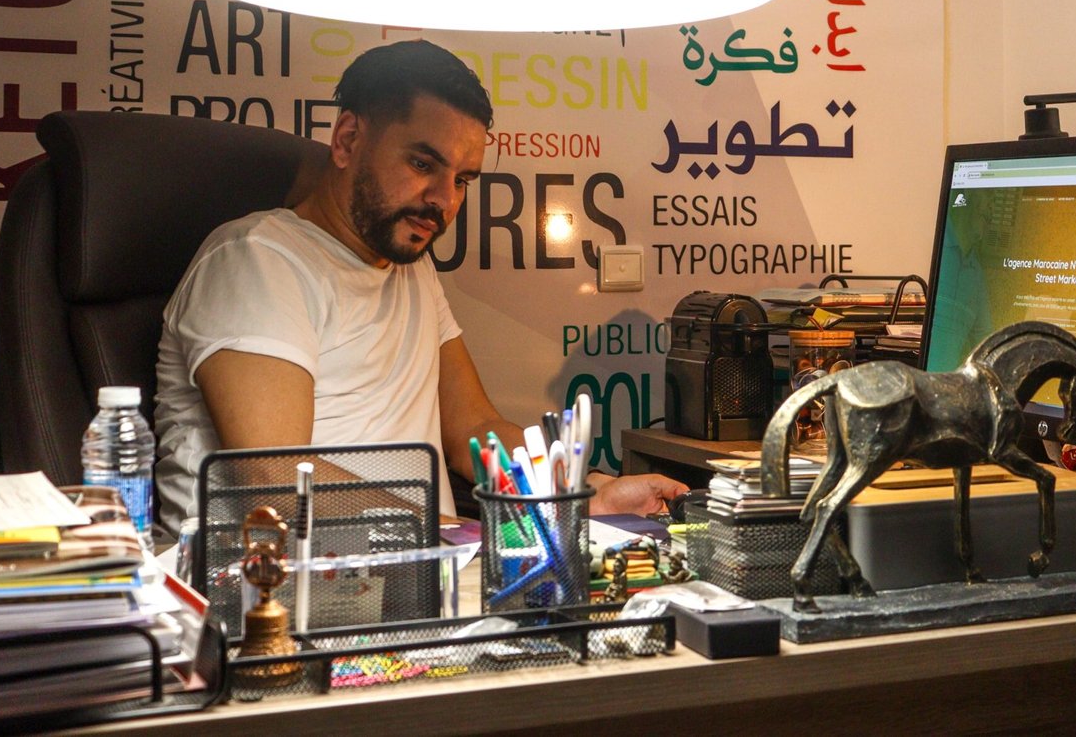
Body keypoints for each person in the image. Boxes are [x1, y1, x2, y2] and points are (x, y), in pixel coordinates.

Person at [153, 39, 685, 533]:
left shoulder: (412, 268)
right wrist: (457, 531)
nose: (444, 200)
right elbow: (276, 479)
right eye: (422, 163)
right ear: (347, 140)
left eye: (462, 180)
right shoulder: (255, 260)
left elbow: (473, 427)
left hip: (427, 572)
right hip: (272, 589)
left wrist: (585, 493)